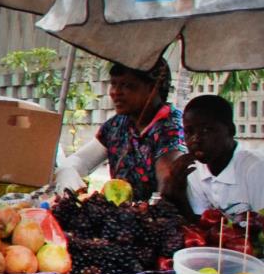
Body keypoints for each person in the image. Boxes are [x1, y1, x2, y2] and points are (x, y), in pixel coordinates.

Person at [55, 58, 186, 201]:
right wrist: (68, 173)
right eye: (113, 84)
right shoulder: (116, 125)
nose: (115, 92)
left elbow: (167, 187)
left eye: (127, 85)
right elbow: (80, 161)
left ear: (152, 88)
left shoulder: (172, 128)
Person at [162, 95, 264, 220]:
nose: (195, 139)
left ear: (231, 130)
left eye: (206, 130)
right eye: (189, 132)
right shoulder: (193, 170)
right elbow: (200, 227)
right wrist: (178, 195)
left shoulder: (255, 168)